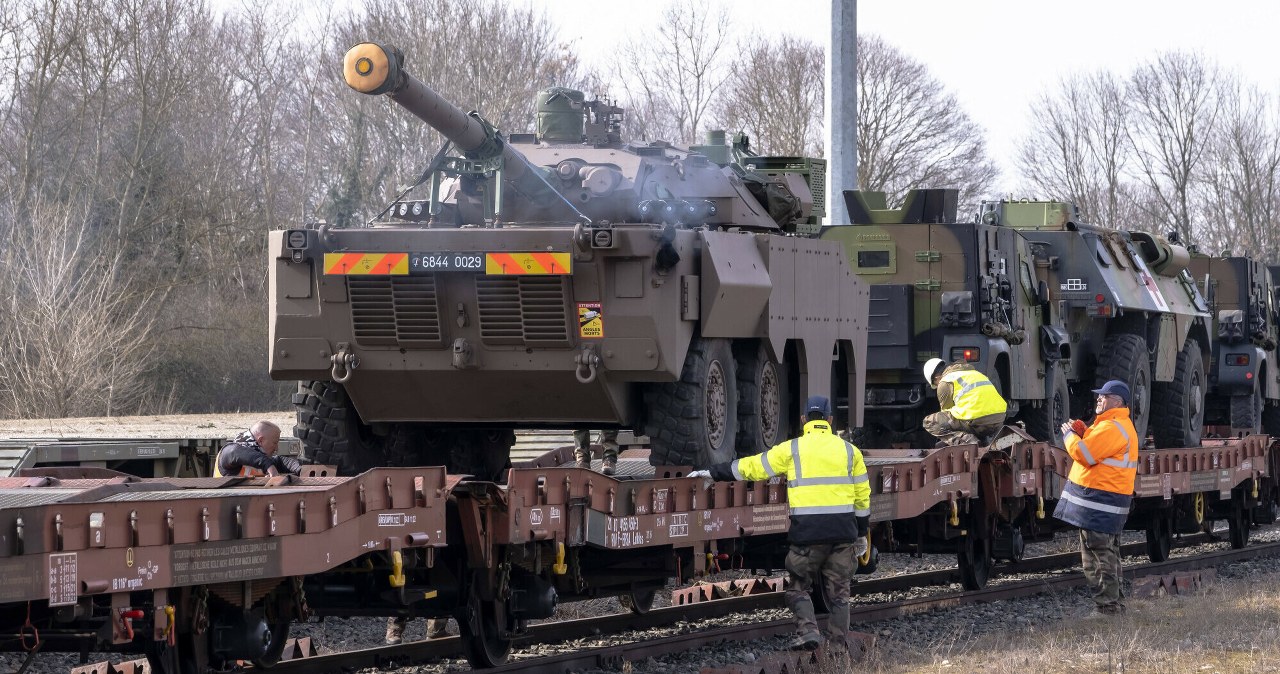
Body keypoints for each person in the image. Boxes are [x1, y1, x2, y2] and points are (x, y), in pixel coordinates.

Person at [689, 396, 871, 652]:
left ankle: (808, 632)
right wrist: (862, 533)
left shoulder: (792, 449)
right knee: (839, 595)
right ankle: (838, 648)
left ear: (803, 420)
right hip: (843, 535)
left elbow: (752, 468)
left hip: (807, 535)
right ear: (830, 420)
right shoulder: (850, 452)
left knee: (798, 587)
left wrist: (712, 472)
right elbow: (863, 497)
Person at [1053, 379, 1139, 615]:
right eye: (1099, 395)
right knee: (1109, 554)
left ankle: (1107, 609)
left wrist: (1070, 436)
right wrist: (1084, 431)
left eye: (1104, 395)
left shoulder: (1112, 427)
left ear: (1117, 401)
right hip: (1107, 502)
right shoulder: (1116, 425)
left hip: (1099, 502)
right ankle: (1115, 605)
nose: (1099, 398)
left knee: (1097, 556)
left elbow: (1085, 454)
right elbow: (1098, 449)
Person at [921, 357, 1008, 446]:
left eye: (935, 384)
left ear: (936, 377)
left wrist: (951, 438)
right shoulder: (975, 373)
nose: (937, 386)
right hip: (999, 420)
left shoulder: (945, 381)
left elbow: (946, 412)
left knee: (929, 422)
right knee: (968, 415)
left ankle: (967, 441)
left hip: (976, 421)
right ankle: (983, 442)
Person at [214, 421, 301, 477]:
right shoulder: (228, 452)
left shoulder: (262, 458)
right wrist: (269, 467)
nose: (276, 448)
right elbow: (235, 452)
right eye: (274, 443)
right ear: (261, 440)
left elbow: (280, 461)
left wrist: (300, 469)